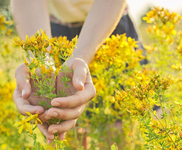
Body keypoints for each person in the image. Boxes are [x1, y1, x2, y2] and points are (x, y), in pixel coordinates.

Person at [11, 0, 146, 144]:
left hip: (109, 24)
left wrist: (81, 55)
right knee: (70, 136)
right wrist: (38, 61)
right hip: (51, 30)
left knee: (116, 133)